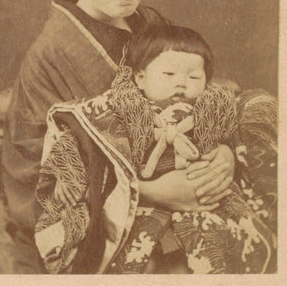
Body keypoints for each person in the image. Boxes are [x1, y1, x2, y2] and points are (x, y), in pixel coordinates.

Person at [2, 0, 235, 274]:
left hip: (173, 182)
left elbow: (194, 94)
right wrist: (152, 192)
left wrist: (221, 153)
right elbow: (42, 177)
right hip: (101, 221)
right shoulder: (53, 52)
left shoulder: (150, 23)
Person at [35, 24, 277, 274]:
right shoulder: (122, 109)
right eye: (169, 74)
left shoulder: (210, 111)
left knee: (226, 252)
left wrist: (226, 153)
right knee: (146, 263)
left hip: (206, 206)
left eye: (194, 77)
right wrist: (69, 174)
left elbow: (233, 139)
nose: (181, 84)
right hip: (143, 209)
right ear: (140, 78)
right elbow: (82, 139)